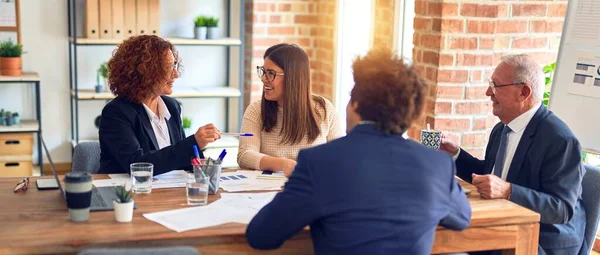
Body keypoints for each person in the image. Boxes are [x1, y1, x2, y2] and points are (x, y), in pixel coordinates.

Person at [246, 48, 471, 254]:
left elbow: (261, 235)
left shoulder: (319, 163)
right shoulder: (437, 164)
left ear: (355, 104)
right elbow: (461, 218)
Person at [440, 54, 586, 255]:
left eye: (495, 85)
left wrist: (509, 191)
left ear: (524, 92)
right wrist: (455, 153)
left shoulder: (560, 139)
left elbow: (561, 209)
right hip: (505, 225)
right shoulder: (501, 129)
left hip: (543, 238)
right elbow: (490, 176)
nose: (487, 92)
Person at [98, 35, 221, 176]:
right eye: (167, 68)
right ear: (145, 72)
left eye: (174, 65)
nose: (175, 74)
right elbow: (138, 165)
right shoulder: (116, 112)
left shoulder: (172, 106)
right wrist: (193, 143)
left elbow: (178, 159)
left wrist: (200, 160)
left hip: (166, 190)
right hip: (125, 192)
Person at [237, 43, 344, 176]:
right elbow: (245, 156)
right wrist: (284, 164)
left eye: (271, 73)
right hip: (266, 191)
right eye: (263, 71)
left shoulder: (324, 109)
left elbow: (341, 157)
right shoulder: (256, 110)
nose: (263, 78)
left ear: (292, 77)